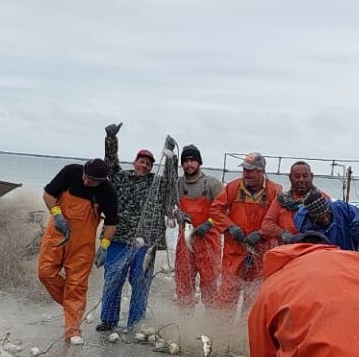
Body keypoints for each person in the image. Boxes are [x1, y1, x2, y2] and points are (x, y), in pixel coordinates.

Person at [97, 124, 179, 333]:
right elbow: (110, 163)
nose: (144, 165)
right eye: (141, 161)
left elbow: (171, 180)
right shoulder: (121, 178)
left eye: (148, 163)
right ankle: (108, 320)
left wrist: (170, 155)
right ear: (134, 162)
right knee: (112, 280)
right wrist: (111, 138)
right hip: (118, 238)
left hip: (146, 244)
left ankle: (136, 322)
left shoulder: (157, 183)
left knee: (140, 282)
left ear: (152, 167)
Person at [37, 157, 118, 342]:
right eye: (85, 176)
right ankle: (71, 306)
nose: (85, 181)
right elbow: (48, 195)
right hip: (57, 234)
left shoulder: (108, 192)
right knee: (45, 273)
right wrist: (57, 215)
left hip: (83, 244)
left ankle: (72, 330)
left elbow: (112, 224)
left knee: (77, 287)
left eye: (92, 181)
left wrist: (103, 248)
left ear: (102, 181)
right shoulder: (70, 172)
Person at [209, 152, 282, 311]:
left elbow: (280, 219)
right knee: (227, 294)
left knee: (255, 297)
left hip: (261, 251)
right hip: (234, 250)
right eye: (244, 170)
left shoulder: (275, 191)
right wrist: (230, 226)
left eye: (250, 170)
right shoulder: (233, 187)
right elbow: (216, 210)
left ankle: (247, 332)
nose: (246, 174)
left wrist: (262, 234)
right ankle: (223, 331)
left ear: (261, 171)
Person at [172, 144, 223, 308]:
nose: (189, 164)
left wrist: (209, 224)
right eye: (185, 161)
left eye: (193, 160)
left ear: (199, 162)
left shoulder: (212, 184)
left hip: (208, 242)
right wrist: (175, 213)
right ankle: (185, 321)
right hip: (185, 242)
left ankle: (211, 322)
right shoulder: (177, 185)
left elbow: (225, 210)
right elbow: (167, 207)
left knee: (210, 284)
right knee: (183, 281)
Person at [262, 161, 326, 246]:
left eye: (305, 176)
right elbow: (267, 224)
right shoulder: (281, 199)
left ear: (312, 177)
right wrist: (281, 233)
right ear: (290, 178)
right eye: (297, 176)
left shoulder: (322, 199)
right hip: (286, 251)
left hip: (312, 251)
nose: (301, 180)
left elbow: (331, 226)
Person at [292, 191, 359, 251]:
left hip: (349, 253)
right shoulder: (306, 229)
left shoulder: (342, 209)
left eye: (327, 214)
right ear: (313, 218)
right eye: (321, 218)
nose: (326, 219)